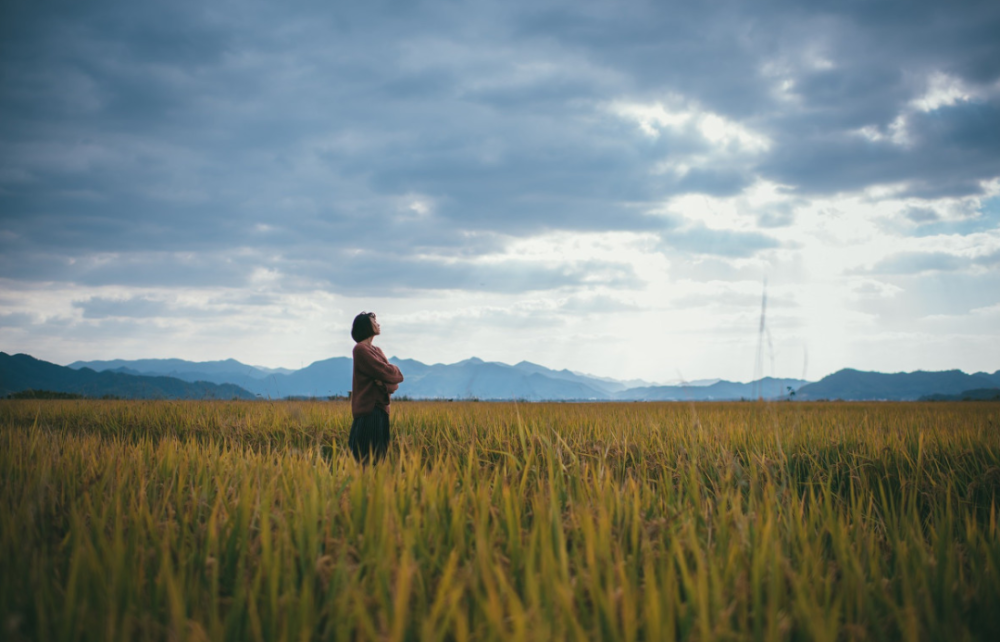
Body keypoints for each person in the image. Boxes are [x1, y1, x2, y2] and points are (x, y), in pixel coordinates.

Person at [348, 311, 404, 464]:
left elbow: (394, 382)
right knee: (364, 459)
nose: (378, 324)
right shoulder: (360, 349)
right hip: (368, 411)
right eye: (374, 321)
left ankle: (372, 487)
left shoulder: (377, 351)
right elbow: (385, 371)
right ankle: (361, 487)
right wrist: (389, 377)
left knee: (379, 459)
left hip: (382, 411)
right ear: (366, 326)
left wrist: (384, 383)